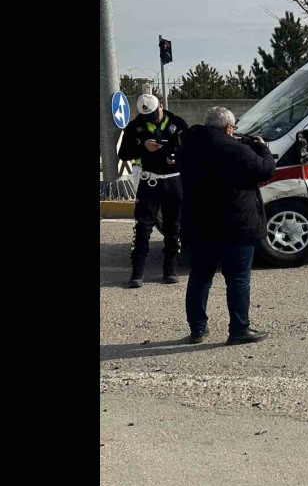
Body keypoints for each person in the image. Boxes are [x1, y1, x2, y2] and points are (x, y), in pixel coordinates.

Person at [177, 106, 276, 345]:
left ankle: (198, 329)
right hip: (235, 225)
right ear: (229, 128)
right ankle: (239, 329)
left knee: (200, 277)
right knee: (238, 279)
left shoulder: (188, 145)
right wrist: (261, 146)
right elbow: (265, 169)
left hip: (199, 224)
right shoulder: (234, 149)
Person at [117, 94, 187, 288]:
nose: (153, 119)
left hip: (173, 181)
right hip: (150, 181)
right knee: (142, 227)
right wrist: (143, 147)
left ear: (161, 106)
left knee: (173, 227)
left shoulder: (177, 123)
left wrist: (177, 158)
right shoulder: (134, 127)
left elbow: (190, 149)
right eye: (148, 117)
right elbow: (123, 154)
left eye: (155, 114)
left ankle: (169, 269)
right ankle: (137, 272)